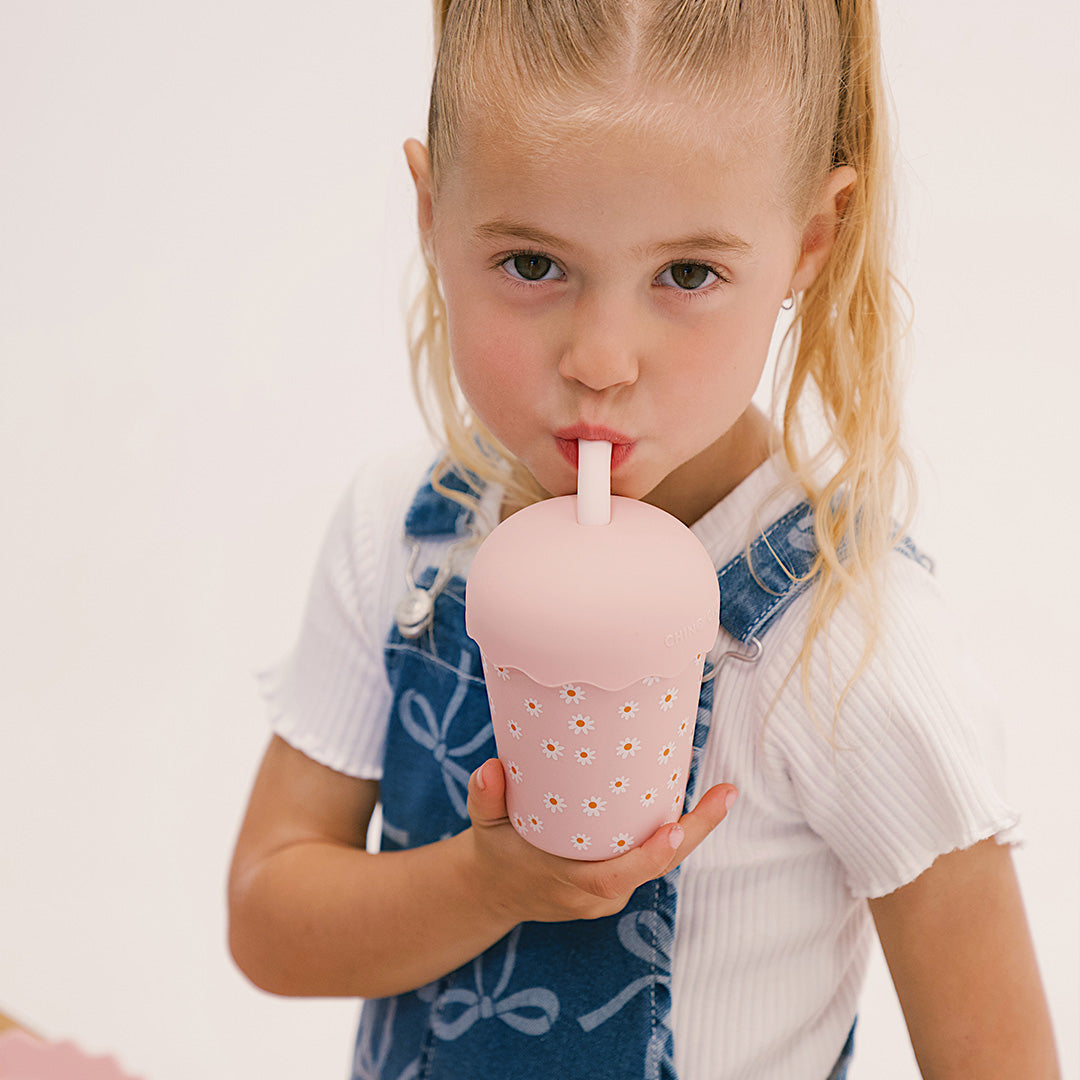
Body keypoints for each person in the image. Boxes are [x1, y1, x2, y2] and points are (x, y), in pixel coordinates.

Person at [227, 1, 1060, 1077]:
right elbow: (268, 919)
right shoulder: (406, 535)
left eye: (688, 275)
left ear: (812, 241)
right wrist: (486, 883)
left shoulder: (851, 642)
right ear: (432, 215)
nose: (602, 360)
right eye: (533, 264)